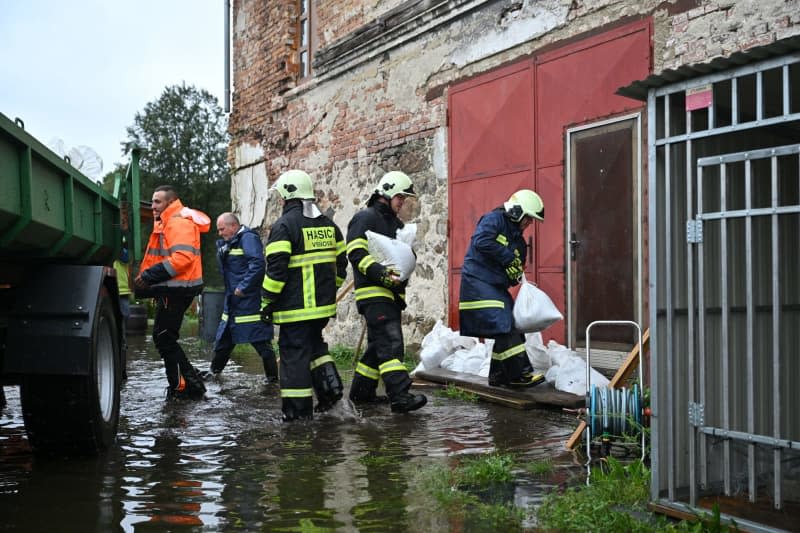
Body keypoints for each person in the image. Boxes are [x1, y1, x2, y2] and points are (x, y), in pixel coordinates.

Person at [261, 169, 348, 421]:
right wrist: (328, 291)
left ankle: (297, 415)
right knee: (315, 347)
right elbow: (340, 266)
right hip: (321, 309)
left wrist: (266, 302)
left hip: (295, 310)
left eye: (281, 195)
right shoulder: (328, 225)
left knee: (294, 358)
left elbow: (276, 272)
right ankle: (331, 394)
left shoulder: (284, 226)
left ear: (288, 195)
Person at [346, 171, 427, 413]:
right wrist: (380, 273)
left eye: (405, 198)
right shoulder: (364, 218)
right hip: (373, 294)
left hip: (391, 294)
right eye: (400, 197)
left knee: (376, 347)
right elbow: (356, 253)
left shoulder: (395, 225)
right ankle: (400, 396)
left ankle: (361, 395)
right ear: (387, 192)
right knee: (391, 344)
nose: (402, 202)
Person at [458, 189, 547, 388]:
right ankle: (520, 374)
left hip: (496, 286)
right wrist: (508, 258)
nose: (529, 224)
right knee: (503, 320)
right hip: (477, 281)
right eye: (528, 218)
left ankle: (499, 376)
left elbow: (515, 273)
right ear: (517, 212)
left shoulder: (520, 243)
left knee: (511, 325)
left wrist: (517, 275)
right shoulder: (494, 220)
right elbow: (481, 241)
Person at [134, 185, 210, 400]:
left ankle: (185, 386)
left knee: (164, 338)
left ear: (170, 201)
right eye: (152, 201)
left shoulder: (177, 222)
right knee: (164, 337)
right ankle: (187, 383)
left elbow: (182, 259)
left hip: (176, 289)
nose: (153, 206)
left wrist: (149, 276)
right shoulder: (169, 221)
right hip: (173, 288)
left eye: (157, 202)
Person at [201, 212, 278, 383]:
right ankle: (213, 373)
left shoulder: (248, 239)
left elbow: (257, 264)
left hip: (248, 301)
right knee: (225, 340)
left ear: (233, 226)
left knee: (261, 341)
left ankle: (272, 380)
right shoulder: (232, 242)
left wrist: (244, 287)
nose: (219, 233)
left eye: (222, 229)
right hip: (233, 302)